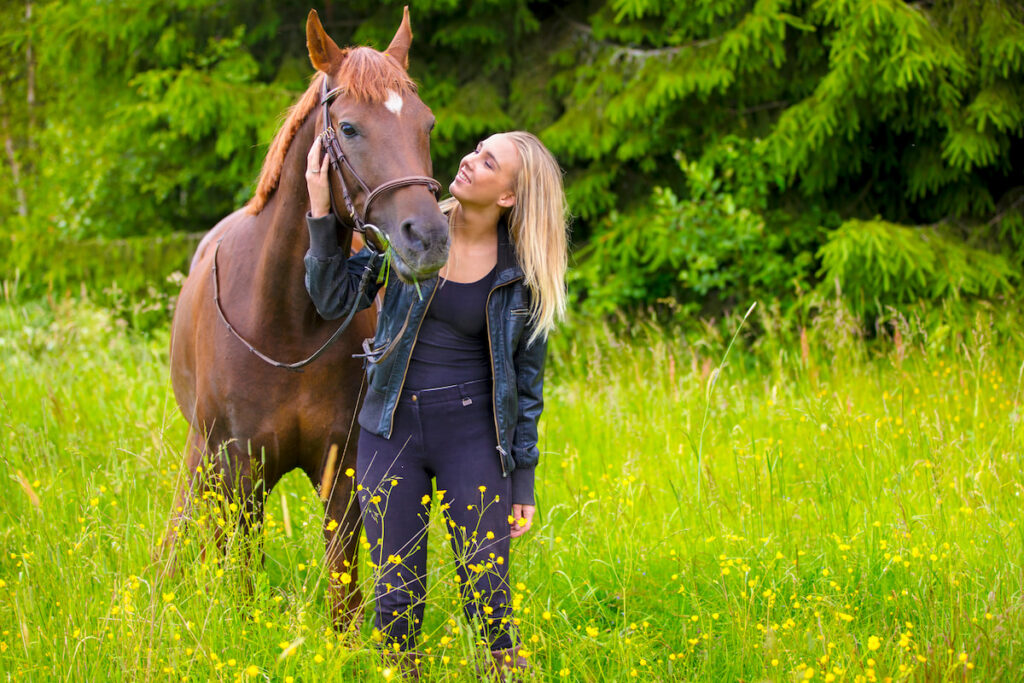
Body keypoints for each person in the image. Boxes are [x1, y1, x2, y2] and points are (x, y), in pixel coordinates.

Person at [303, 130, 568, 679]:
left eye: (488, 161)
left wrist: (522, 482)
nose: (469, 160)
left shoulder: (524, 274)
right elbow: (331, 299)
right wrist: (320, 208)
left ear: (509, 197)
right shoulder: (411, 233)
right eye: (476, 149)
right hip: (390, 429)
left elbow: (528, 386)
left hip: (472, 435)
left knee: (489, 594)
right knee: (397, 596)